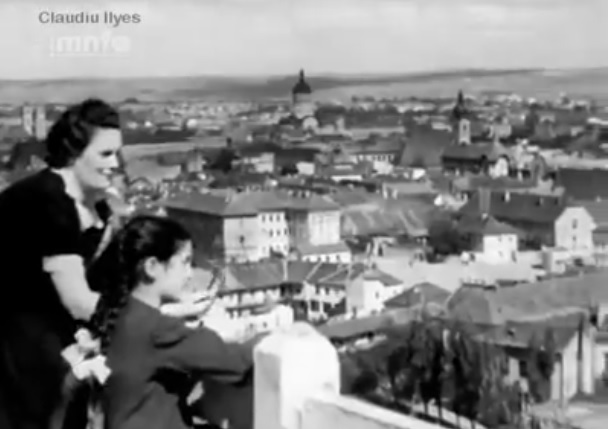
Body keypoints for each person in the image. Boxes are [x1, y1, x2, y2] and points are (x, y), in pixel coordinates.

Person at [0, 98, 125, 429]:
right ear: (73, 154)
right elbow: (78, 301)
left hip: (51, 342)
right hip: (19, 350)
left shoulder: (94, 207)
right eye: (105, 154)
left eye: (117, 153)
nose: (115, 164)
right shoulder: (47, 202)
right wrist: (146, 318)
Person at [87, 215, 255, 429]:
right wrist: (272, 338)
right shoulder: (158, 330)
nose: (190, 274)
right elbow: (235, 361)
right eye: (185, 262)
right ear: (152, 267)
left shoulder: (123, 313)